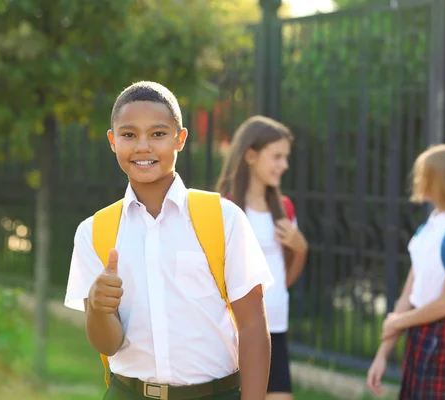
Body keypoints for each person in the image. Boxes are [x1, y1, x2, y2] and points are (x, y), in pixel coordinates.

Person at [64, 81, 274, 399]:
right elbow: (107, 344)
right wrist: (97, 306)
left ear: (180, 138)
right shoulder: (94, 232)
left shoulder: (223, 219)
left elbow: (253, 326)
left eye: (158, 134)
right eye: (129, 135)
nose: (143, 146)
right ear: (112, 141)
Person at [367, 143, 445, 399]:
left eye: (425, 174)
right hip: (420, 332)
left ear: (442, 181)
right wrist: (382, 355)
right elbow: (409, 294)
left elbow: (444, 304)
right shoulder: (429, 227)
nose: (419, 180)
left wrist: (398, 322)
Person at [215, 116, 308, 400]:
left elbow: (283, 277)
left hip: (276, 328)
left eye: (286, 157)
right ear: (251, 156)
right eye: (277, 156)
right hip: (236, 333)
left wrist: (301, 249)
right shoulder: (226, 210)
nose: (284, 165)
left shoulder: (285, 209)